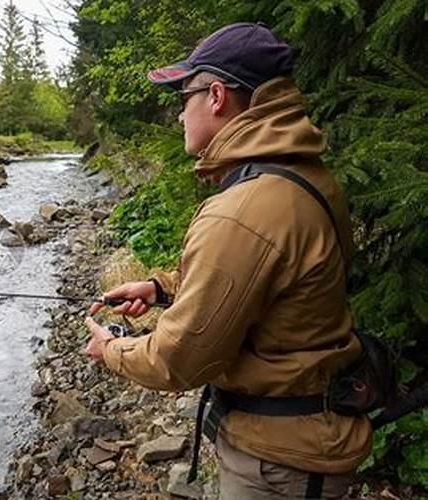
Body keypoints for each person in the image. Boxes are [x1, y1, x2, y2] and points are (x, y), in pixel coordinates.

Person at [84, 22, 371, 499]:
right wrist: (160, 289)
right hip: (309, 443)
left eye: (184, 98)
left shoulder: (242, 210)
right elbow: (269, 277)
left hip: (278, 464)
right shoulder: (303, 175)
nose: (180, 115)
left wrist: (110, 350)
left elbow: (179, 361)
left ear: (216, 96)